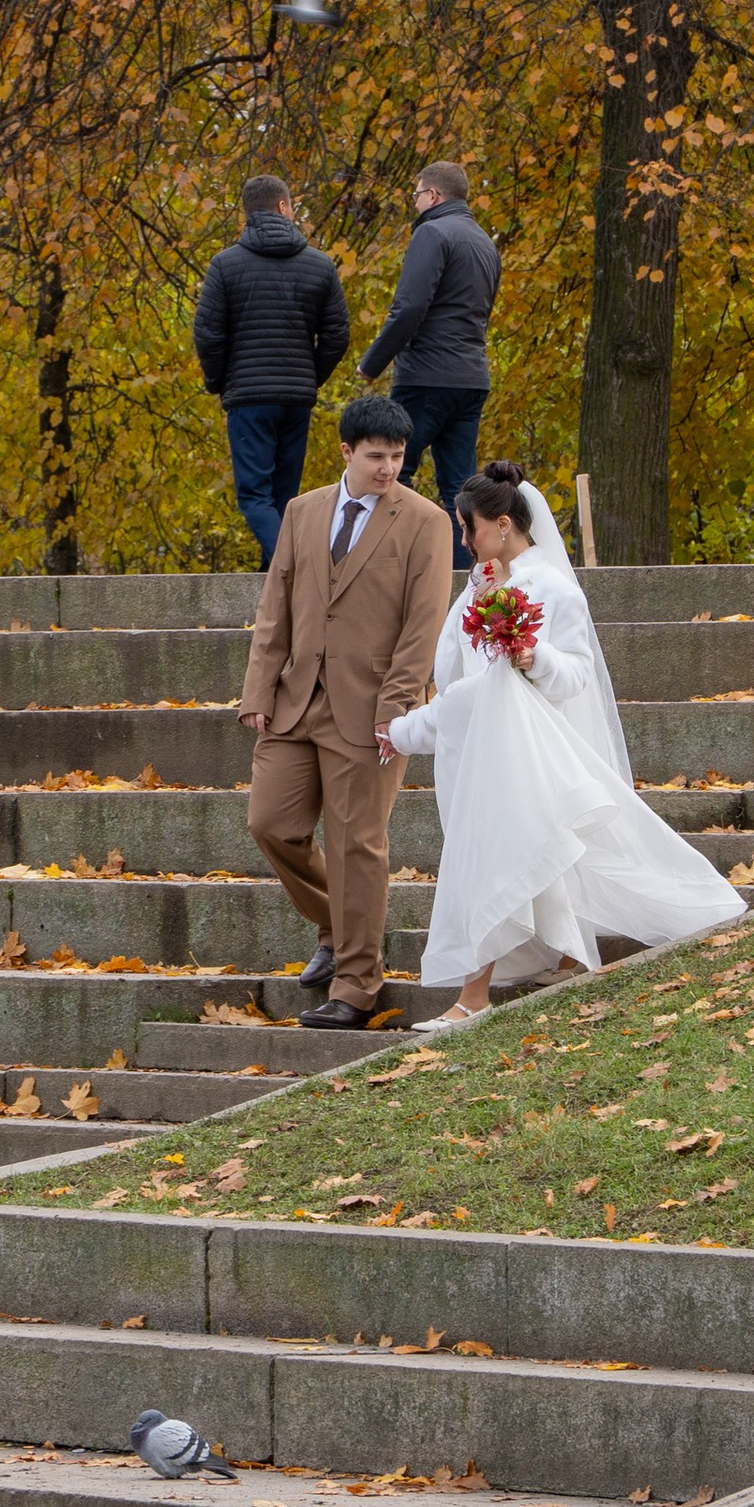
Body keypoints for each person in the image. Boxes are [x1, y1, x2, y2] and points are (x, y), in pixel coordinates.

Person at [385, 465, 746, 1027]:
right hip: (478, 751)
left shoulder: (553, 588)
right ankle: (566, 957)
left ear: (503, 525)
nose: (464, 540)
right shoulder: (476, 590)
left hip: (527, 755)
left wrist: (534, 658)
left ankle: (472, 997)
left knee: (485, 857)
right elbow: (461, 687)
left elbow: (576, 674)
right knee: (512, 857)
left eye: (470, 528)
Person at [238, 393, 451, 1030]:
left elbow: (424, 622)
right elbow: (275, 605)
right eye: (376, 456)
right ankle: (337, 925)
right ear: (346, 453)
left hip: (372, 710)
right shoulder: (301, 513)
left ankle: (357, 985)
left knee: (359, 844)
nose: (389, 468)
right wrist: (258, 688)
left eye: (397, 457)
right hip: (295, 701)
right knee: (269, 823)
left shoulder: (425, 521)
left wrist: (398, 706)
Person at [192, 174, 351, 565]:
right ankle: (275, 579)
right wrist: (309, 376)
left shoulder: (225, 266)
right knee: (285, 497)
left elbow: (208, 334)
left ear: (248, 213)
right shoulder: (319, 265)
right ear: (283, 207)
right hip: (296, 398)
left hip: (248, 397)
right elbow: (337, 334)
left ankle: (295, 566)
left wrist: (218, 381)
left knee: (254, 496)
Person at [356, 162, 502, 557]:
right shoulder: (485, 243)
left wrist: (372, 363)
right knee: (460, 488)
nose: (416, 203)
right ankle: (466, 579)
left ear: (433, 195)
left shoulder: (432, 232)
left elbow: (409, 307)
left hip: (426, 374)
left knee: (391, 471)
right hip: (471, 377)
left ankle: (384, 563)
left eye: (417, 195)